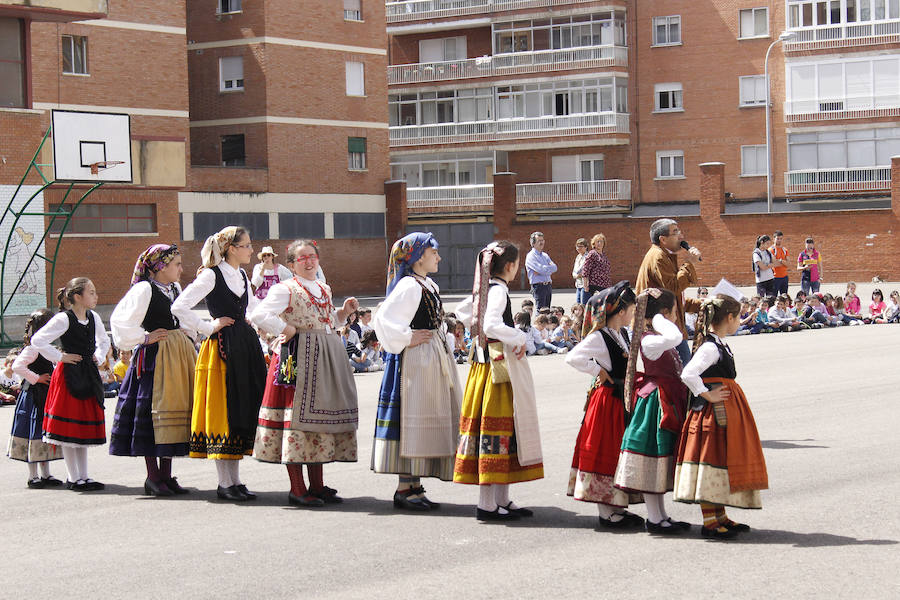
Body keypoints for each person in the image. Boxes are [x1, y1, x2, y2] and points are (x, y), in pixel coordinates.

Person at [250, 239, 360, 507]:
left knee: (318, 422)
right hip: (299, 358)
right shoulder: (284, 288)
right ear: (291, 264)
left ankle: (318, 486)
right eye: (302, 258)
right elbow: (260, 314)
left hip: (324, 356)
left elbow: (326, 320)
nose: (309, 261)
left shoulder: (323, 287)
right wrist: (284, 329)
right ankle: (297, 488)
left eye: (313, 256)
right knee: (297, 421)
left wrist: (343, 313)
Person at [171, 226, 267, 502]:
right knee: (223, 408)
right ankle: (224, 482)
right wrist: (207, 326)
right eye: (247, 245)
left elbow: (253, 309)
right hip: (221, 346)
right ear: (231, 249)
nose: (251, 250)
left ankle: (234, 480)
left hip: (243, 344)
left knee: (239, 408)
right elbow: (178, 307)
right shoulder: (211, 275)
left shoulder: (241, 275)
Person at [371, 232, 461, 511]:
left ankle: (414, 484)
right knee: (412, 417)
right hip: (414, 361)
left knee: (425, 416)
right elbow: (384, 319)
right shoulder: (409, 285)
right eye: (435, 252)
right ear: (419, 255)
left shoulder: (427, 284)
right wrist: (408, 337)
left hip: (431, 356)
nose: (439, 257)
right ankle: (404, 487)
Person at [455, 241, 543, 521]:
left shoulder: (485, 289)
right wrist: (517, 337)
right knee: (496, 433)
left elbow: (463, 312)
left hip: (484, 365)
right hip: (497, 370)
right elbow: (491, 324)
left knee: (501, 434)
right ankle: (488, 504)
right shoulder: (499, 292)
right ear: (511, 266)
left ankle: (501, 499)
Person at [674, 293, 768, 539]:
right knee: (711, 458)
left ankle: (720, 515)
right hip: (712, 413)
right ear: (729, 317)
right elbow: (688, 373)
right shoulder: (709, 347)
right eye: (738, 317)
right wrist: (707, 394)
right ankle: (710, 521)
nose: (739, 322)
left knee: (721, 459)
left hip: (725, 409)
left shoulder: (718, 343)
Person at [109, 244, 198, 496]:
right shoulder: (144, 289)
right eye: (177, 264)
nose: (181, 269)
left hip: (177, 354)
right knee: (152, 412)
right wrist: (143, 337)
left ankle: (167, 475)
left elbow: (182, 318)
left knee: (174, 411)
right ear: (160, 266)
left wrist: (186, 333)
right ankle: (153, 476)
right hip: (155, 357)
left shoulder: (175, 289)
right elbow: (120, 320)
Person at [566, 282, 643, 528]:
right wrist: (597, 370)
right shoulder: (600, 336)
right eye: (631, 309)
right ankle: (607, 512)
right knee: (606, 451)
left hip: (620, 399)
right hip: (607, 401)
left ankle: (617, 506)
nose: (632, 314)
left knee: (618, 452)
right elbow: (573, 357)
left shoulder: (619, 334)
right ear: (620, 312)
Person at [615, 288, 691, 534]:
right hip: (655, 403)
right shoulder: (650, 339)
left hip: (666, 399)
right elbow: (675, 337)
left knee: (660, 461)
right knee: (652, 459)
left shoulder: (653, 336)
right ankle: (654, 518)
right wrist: (659, 317)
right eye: (673, 312)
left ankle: (660, 516)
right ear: (665, 313)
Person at [31, 277, 110, 491]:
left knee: (82, 428)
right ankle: (73, 477)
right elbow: (37, 340)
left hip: (88, 373)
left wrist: (99, 356)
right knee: (69, 428)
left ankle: (84, 476)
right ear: (77, 297)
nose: (95, 296)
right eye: (91, 292)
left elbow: (104, 341)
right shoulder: (64, 319)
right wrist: (59, 356)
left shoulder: (93, 317)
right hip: (69, 376)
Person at [7, 308, 63, 487]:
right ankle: (33, 476)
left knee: (43, 433)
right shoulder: (33, 348)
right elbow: (17, 366)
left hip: (45, 395)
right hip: (33, 396)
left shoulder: (45, 347)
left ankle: (46, 474)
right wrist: (37, 378)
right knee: (33, 432)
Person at [635, 218, 702, 366]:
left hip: (669, 325)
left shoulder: (664, 255)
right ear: (663, 239)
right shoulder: (658, 257)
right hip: (662, 329)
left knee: (683, 374)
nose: (681, 236)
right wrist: (689, 263)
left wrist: (698, 304)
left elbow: (671, 297)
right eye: (675, 232)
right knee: (682, 376)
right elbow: (672, 289)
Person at [525, 231, 557, 309]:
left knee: (547, 310)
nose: (541, 242)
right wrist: (546, 270)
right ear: (533, 243)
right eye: (539, 241)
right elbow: (541, 269)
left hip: (548, 286)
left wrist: (542, 270)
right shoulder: (531, 256)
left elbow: (555, 267)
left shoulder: (545, 255)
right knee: (540, 310)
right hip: (539, 287)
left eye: (542, 240)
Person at [769, 231, 790, 295]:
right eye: (777, 238)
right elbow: (774, 263)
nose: (779, 240)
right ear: (773, 239)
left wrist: (781, 261)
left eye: (781, 239)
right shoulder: (771, 250)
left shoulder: (785, 250)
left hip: (784, 277)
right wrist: (784, 262)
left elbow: (788, 264)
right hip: (775, 277)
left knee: (784, 297)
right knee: (773, 297)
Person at [572, 238, 589, 304]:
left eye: (581, 246)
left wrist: (579, 274)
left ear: (586, 247)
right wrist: (575, 275)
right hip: (578, 284)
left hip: (585, 285)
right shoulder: (578, 257)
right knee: (578, 305)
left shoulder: (588, 257)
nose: (578, 248)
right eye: (577, 246)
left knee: (583, 305)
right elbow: (575, 270)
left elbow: (583, 270)